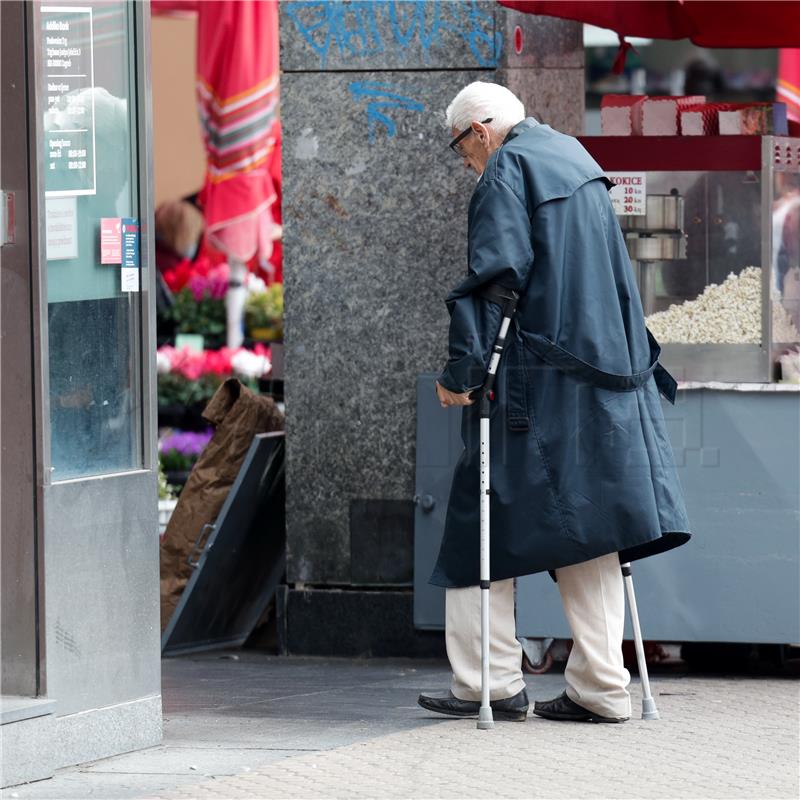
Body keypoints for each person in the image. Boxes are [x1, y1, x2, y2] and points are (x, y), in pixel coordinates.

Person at [418, 82, 691, 724]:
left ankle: (485, 681)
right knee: (591, 523)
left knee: (476, 517)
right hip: (602, 377)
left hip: (531, 382)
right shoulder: (575, 156)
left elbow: (495, 283)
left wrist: (462, 371)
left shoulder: (506, 170)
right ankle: (601, 687)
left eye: (461, 148)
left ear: (480, 131)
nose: (464, 162)